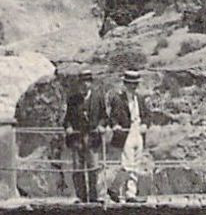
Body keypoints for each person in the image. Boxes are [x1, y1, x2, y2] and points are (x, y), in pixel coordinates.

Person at [61, 66, 107, 203]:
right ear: (79, 84)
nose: (85, 84)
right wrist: (68, 127)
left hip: (92, 139)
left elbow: (104, 116)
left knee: (93, 169)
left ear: (91, 83)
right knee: (78, 169)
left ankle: (94, 197)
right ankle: (81, 197)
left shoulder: (98, 97)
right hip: (77, 139)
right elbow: (66, 119)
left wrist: (100, 126)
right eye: (82, 82)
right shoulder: (73, 100)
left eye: (87, 81)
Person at [108, 69, 151, 202]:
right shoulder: (118, 99)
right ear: (125, 84)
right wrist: (115, 125)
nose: (133, 86)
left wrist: (145, 124)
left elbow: (148, 115)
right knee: (127, 164)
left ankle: (130, 194)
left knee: (136, 164)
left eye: (135, 84)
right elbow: (113, 116)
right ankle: (114, 188)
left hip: (138, 132)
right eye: (131, 84)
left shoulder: (140, 99)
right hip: (126, 133)